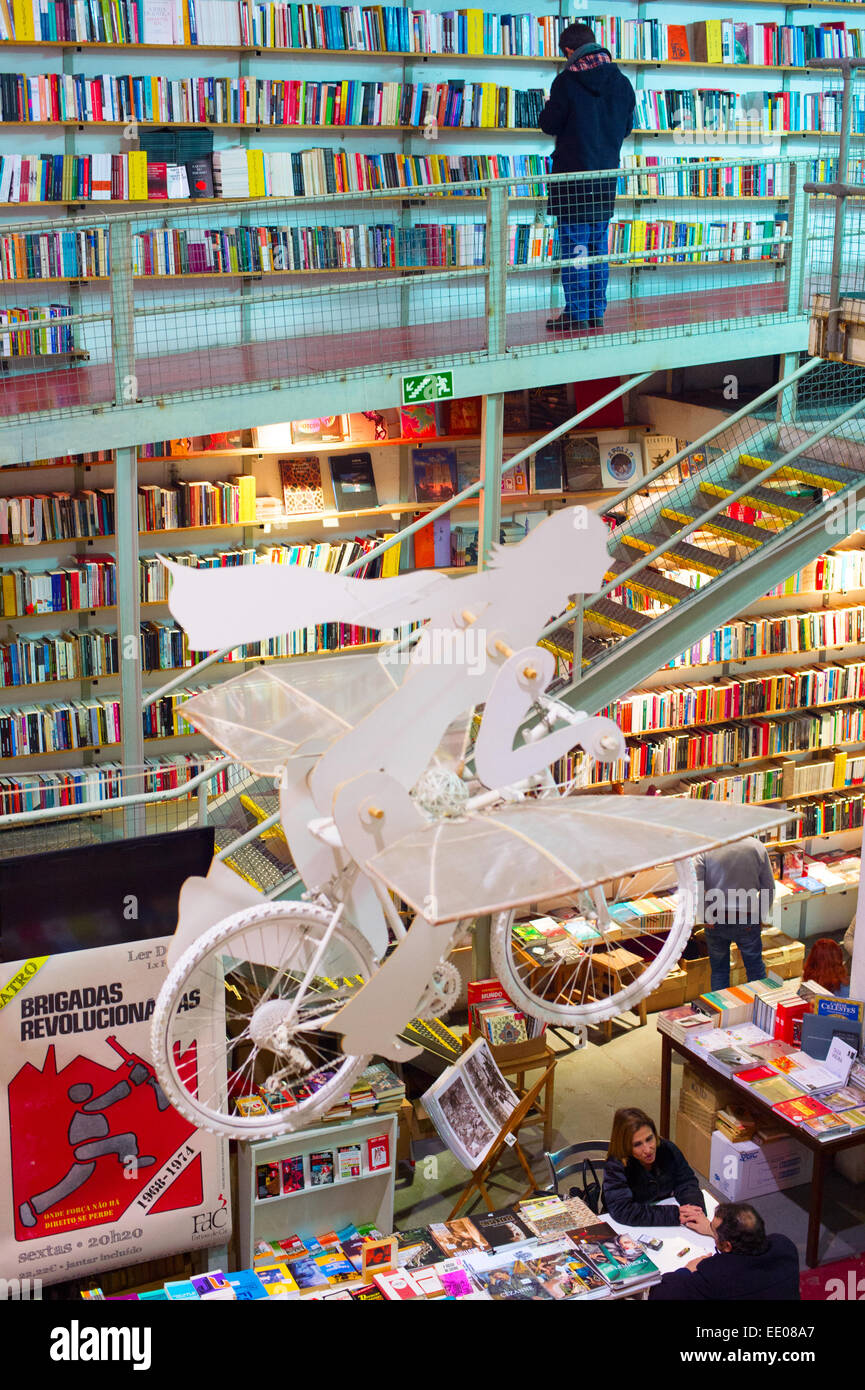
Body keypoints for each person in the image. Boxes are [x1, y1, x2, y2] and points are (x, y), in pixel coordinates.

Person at [539, 23, 636, 334]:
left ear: (569, 50)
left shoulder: (565, 83)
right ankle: (595, 312)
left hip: (572, 181)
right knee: (596, 248)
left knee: (574, 249)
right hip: (605, 179)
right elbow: (626, 128)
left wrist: (547, 107)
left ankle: (576, 313)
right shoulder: (621, 82)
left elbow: (550, 125)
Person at [649, 1201, 800, 1301]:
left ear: (727, 1246)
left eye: (713, 1231)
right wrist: (712, 1231)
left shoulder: (715, 1274)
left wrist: (686, 1271)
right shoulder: (784, 1246)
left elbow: (660, 1295)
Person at [603, 1107, 706, 1228]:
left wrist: (694, 1210)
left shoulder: (667, 1149)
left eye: (649, 1139)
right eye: (637, 1144)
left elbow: (686, 1182)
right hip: (630, 1226)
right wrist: (673, 1214)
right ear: (625, 1146)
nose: (647, 1150)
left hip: (662, 1220)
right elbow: (622, 1209)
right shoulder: (615, 1165)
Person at [695, 836, 775, 991]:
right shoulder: (756, 847)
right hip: (747, 917)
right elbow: (769, 888)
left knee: (719, 971)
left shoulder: (705, 849)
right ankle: (760, 1011)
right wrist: (761, 916)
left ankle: (722, 1012)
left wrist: (705, 916)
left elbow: (696, 888)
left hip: (715, 918)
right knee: (755, 969)